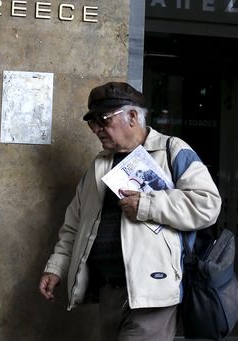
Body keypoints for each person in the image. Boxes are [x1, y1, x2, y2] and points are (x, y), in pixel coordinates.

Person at [38, 81, 221, 341]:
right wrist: (55, 268)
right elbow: (74, 225)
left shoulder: (172, 151)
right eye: (92, 123)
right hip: (109, 292)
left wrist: (148, 205)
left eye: (103, 120)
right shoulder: (100, 164)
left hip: (153, 294)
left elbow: (208, 204)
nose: (97, 130)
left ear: (133, 116)